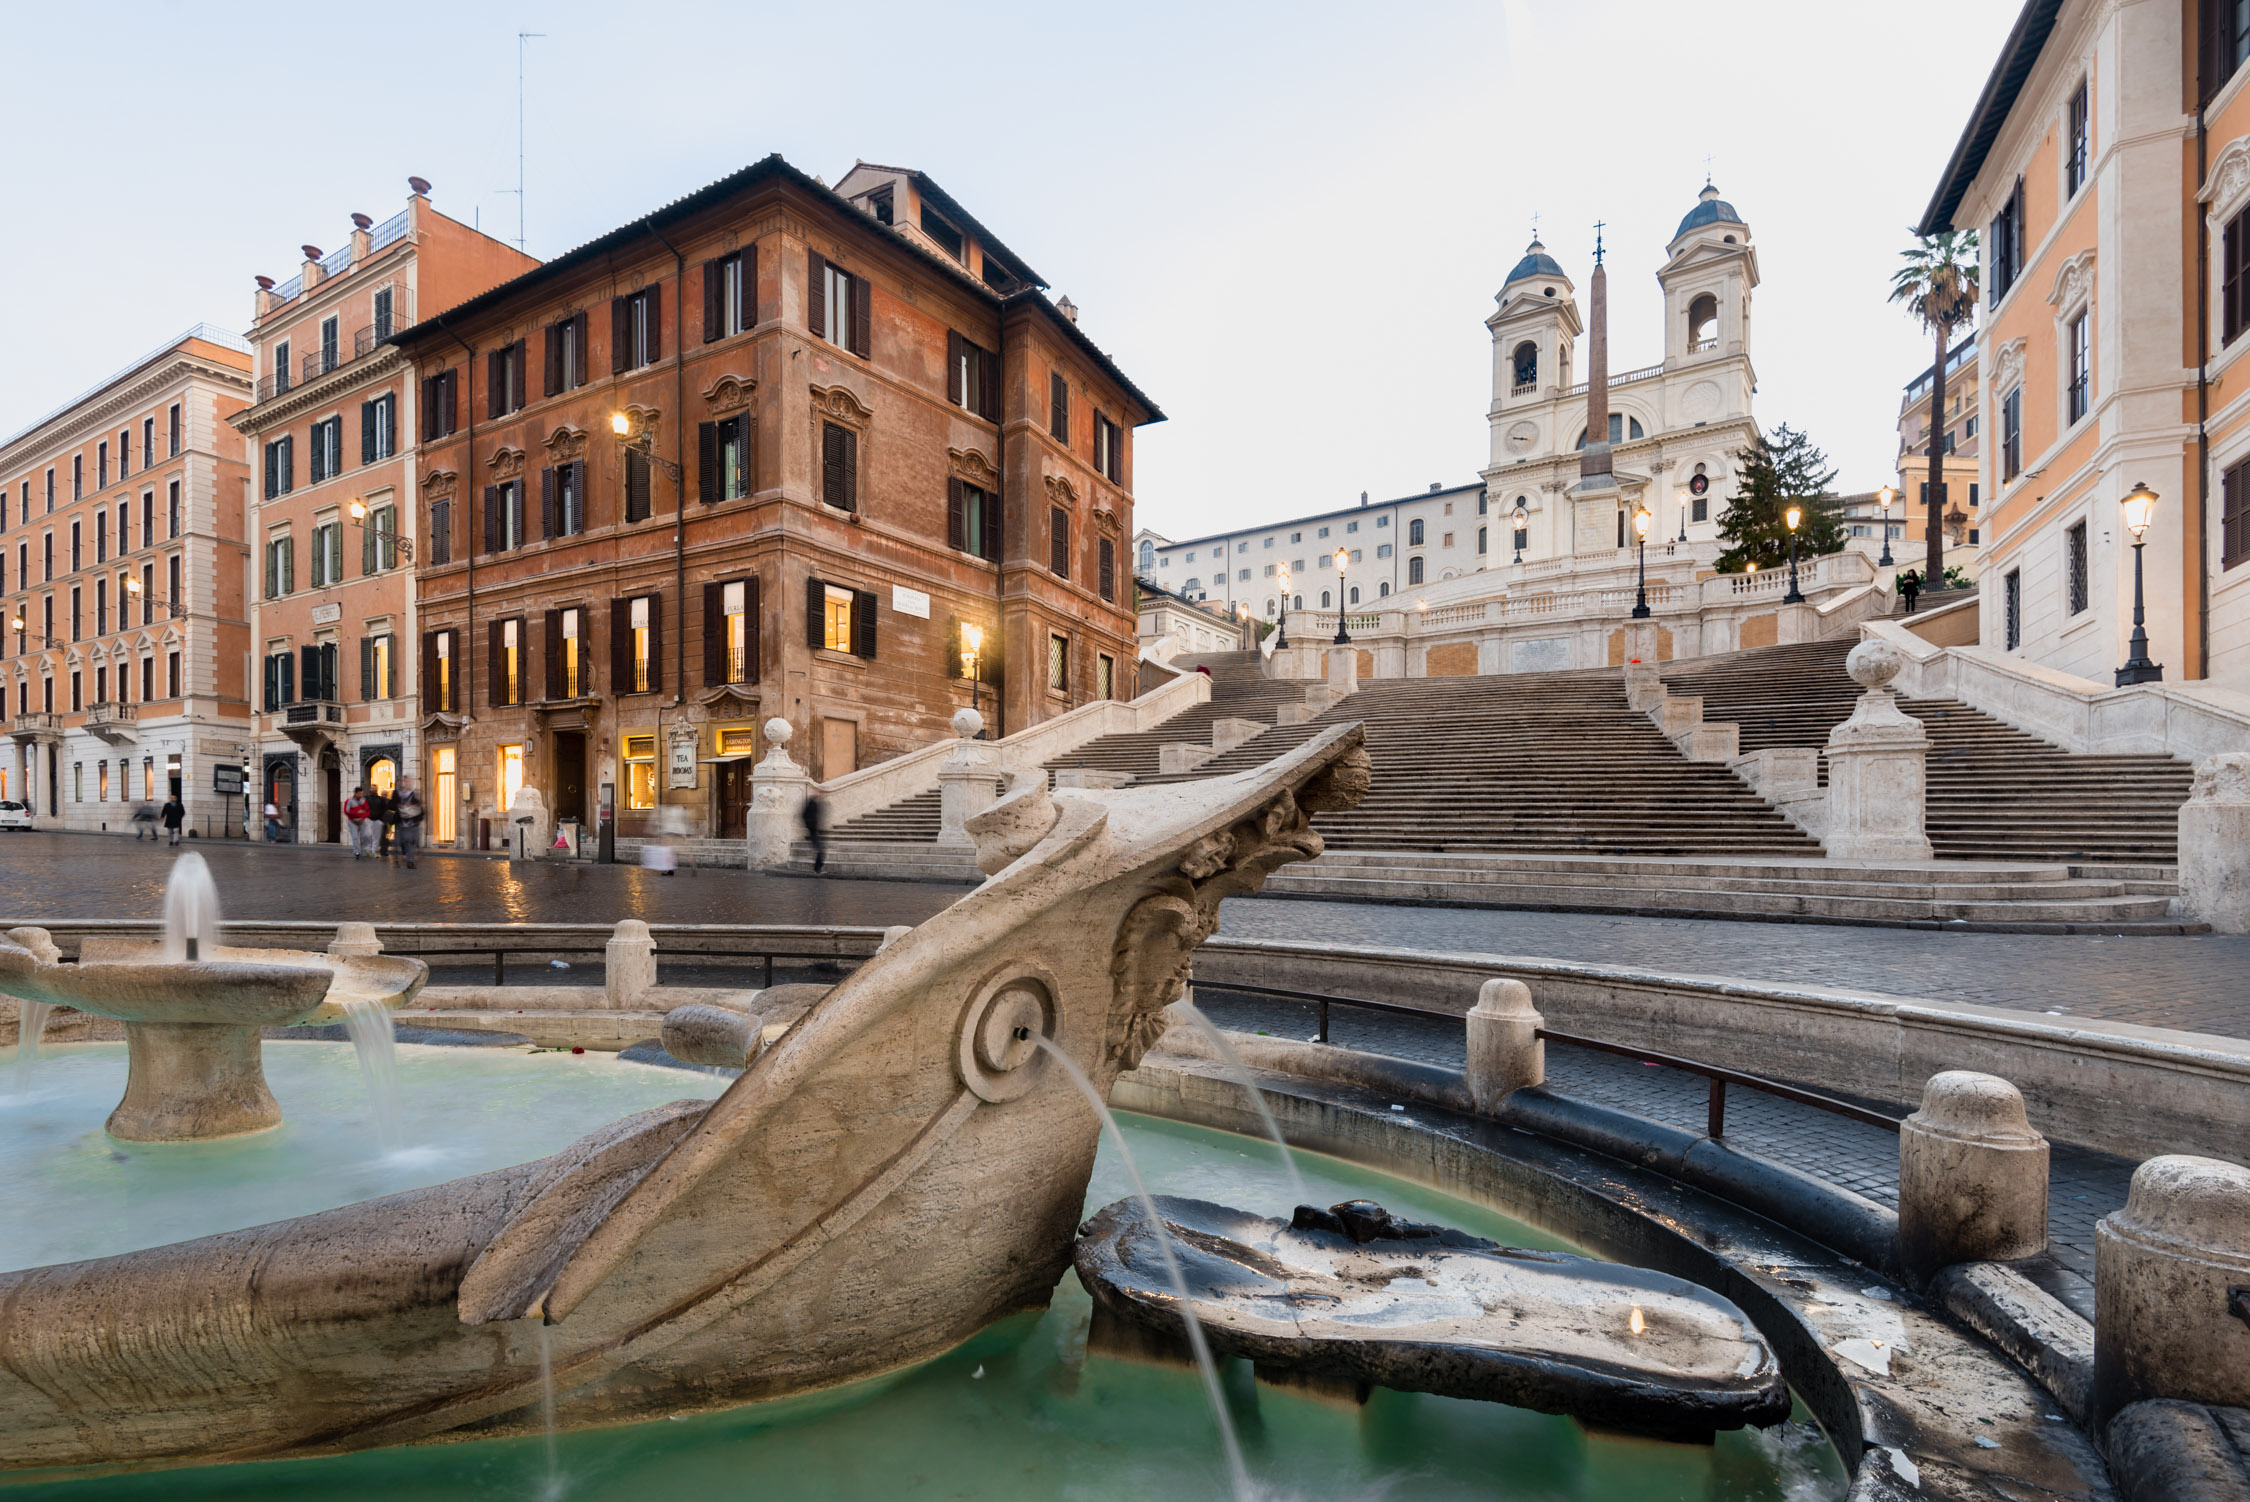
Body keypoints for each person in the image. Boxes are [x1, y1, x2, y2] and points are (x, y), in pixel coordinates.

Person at [394, 784, 425, 870]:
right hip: (401, 825)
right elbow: (394, 809)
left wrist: (417, 819)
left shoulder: (414, 800)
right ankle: (404, 858)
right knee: (403, 842)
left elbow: (421, 811)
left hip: (412, 825)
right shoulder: (398, 801)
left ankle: (410, 861)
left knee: (410, 842)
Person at [802, 788, 829, 875]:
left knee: (821, 849)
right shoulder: (811, 804)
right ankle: (818, 869)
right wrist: (810, 825)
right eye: (819, 793)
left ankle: (818, 868)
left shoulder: (816, 803)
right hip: (813, 830)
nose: (821, 795)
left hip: (815, 829)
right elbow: (804, 815)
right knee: (820, 850)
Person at [342, 785, 372, 859]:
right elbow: (346, 811)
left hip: (361, 821)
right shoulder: (349, 801)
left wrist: (362, 817)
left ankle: (363, 850)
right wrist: (356, 814)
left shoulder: (363, 800)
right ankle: (356, 852)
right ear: (355, 793)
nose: (361, 795)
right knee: (355, 837)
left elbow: (367, 810)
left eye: (362, 793)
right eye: (360, 794)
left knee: (364, 836)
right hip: (352, 821)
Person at [369, 786, 396, 859]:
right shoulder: (376, 799)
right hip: (374, 820)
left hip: (383, 821)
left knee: (382, 837)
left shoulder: (386, 801)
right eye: (383, 794)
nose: (384, 795)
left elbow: (391, 809)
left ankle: (382, 851)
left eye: (385, 794)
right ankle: (370, 850)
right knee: (371, 835)